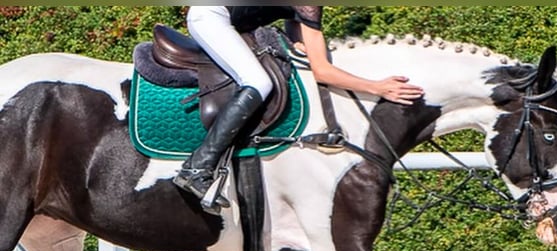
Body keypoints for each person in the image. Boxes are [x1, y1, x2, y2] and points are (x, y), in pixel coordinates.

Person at [174, 6, 424, 209]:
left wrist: (297, 41)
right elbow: (323, 72)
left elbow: (291, 20)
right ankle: (197, 167)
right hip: (210, 17)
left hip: (233, 22)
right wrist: (376, 88)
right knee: (258, 82)